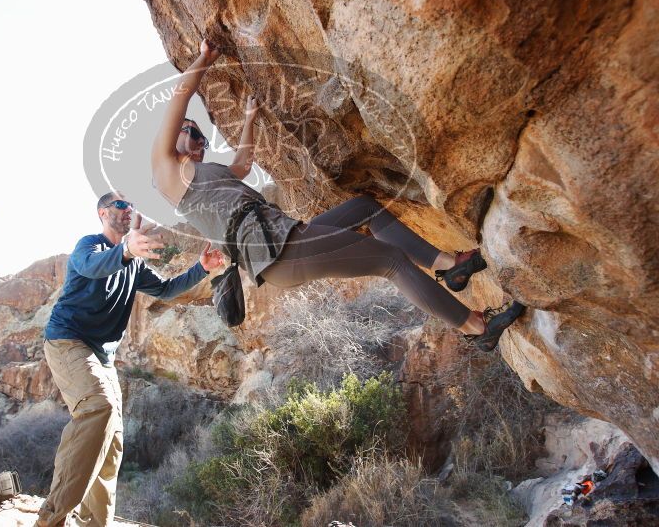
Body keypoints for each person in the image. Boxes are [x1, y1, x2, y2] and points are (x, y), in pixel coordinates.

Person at [151, 39, 525, 351]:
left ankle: (449, 265)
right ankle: (475, 327)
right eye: (191, 132)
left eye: (202, 138)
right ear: (174, 137)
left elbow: (243, 166)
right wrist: (204, 58)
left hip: (285, 240)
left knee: (366, 208)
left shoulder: (209, 175)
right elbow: (180, 96)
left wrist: (249, 119)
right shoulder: (167, 172)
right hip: (278, 252)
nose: (198, 142)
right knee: (391, 261)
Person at [36, 192, 224, 527]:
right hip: (68, 341)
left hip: (102, 356)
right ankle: (52, 519)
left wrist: (201, 268)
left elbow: (166, 289)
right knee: (99, 408)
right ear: (102, 212)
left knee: (112, 442)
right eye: (121, 205)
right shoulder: (88, 246)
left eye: (132, 206)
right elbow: (92, 267)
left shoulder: (134, 263)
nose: (129, 210)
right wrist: (125, 250)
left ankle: (94, 523)